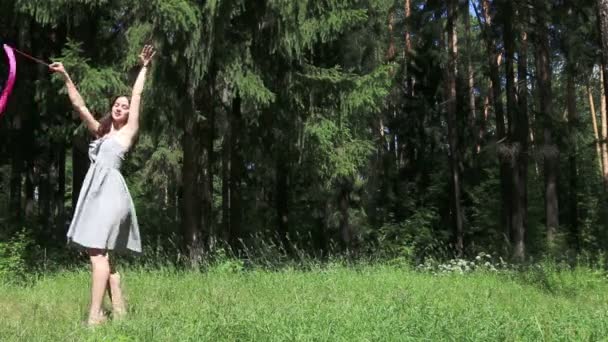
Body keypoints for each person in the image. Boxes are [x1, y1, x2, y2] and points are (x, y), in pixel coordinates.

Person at [49, 45, 155, 326]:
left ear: (129, 113)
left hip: (111, 195)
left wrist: (144, 67)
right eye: (117, 105)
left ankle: (95, 316)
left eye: (125, 106)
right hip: (100, 195)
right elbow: (79, 106)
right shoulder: (102, 132)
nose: (120, 107)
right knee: (108, 260)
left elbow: (137, 94)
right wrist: (66, 75)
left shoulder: (128, 133)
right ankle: (120, 314)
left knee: (97, 254)